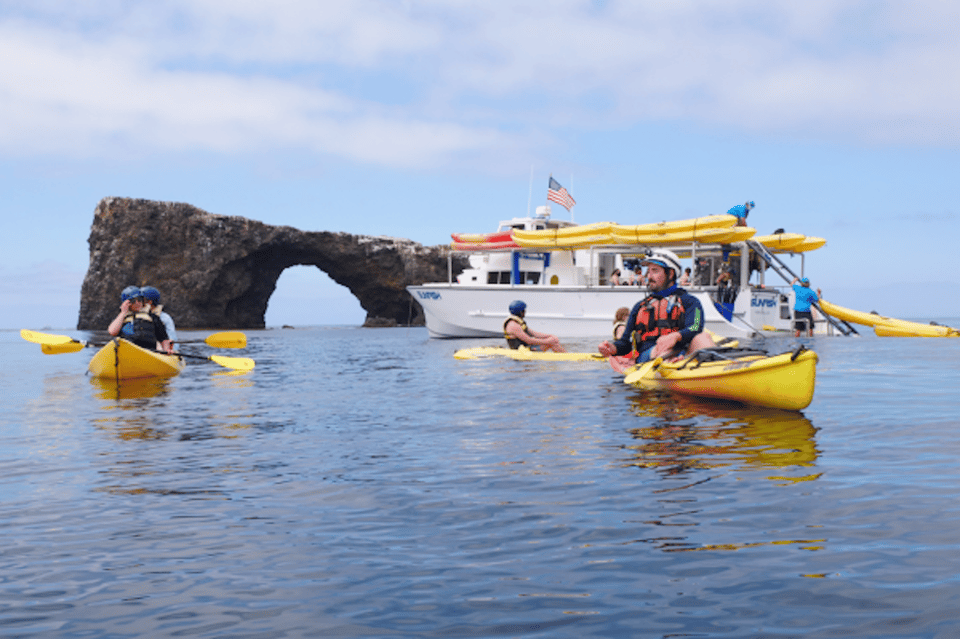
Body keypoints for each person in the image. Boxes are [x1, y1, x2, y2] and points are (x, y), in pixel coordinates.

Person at [598, 249, 715, 364]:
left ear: (670, 273)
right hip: (650, 354)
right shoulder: (639, 307)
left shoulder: (692, 301)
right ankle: (671, 364)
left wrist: (677, 336)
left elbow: (695, 326)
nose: (649, 276)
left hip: (683, 351)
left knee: (703, 338)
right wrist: (612, 348)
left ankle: (718, 373)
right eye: (648, 271)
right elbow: (625, 343)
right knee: (664, 349)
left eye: (655, 271)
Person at [107, 286, 174, 353]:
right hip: (127, 352)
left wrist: (166, 350)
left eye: (139, 299)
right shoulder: (121, 318)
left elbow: (163, 338)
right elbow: (112, 332)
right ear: (126, 303)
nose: (137, 303)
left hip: (148, 352)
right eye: (133, 301)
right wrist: (123, 312)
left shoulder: (153, 317)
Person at [140, 286, 177, 350]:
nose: (138, 302)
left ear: (149, 302)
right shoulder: (136, 315)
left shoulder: (165, 318)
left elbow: (173, 340)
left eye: (141, 300)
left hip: (159, 349)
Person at [608, 307, 637, 373]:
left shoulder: (620, 326)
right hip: (622, 356)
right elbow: (621, 340)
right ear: (624, 316)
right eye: (629, 315)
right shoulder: (622, 327)